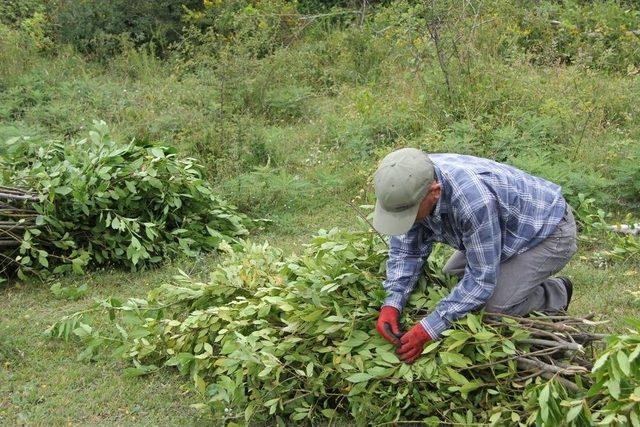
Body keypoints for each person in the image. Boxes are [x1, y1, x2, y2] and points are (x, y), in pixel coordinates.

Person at [373, 148, 578, 364]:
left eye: (409, 214)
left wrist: (428, 329)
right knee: (451, 277)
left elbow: (481, 281)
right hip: (501, 229)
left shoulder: (472, 201)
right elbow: (407, 250)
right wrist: (392, 303)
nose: (406, 220)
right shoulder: (408, 182)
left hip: (547, 230)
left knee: (493, 309)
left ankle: (557, 293)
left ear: (434, 192)